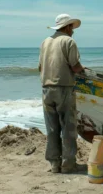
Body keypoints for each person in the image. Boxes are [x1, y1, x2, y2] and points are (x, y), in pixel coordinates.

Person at [38, 14, 85, 173]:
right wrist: (84, 72)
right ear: (67, 27)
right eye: (71, 27)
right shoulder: (68, 41)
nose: (73, 31)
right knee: (68, 127)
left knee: (52, 129)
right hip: (63, 88)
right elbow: (75, 66)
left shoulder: (45, 42)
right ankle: (68, 165)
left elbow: (40, 67)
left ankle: (54, 164)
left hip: (46, 89)